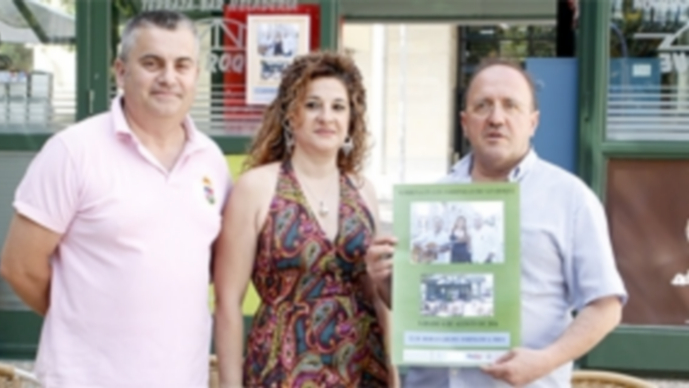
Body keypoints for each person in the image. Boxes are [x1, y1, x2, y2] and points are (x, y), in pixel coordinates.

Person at [0, 10, 231, 388]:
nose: (168, 78)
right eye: (152, 63)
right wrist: (80, 321)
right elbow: (19, 266)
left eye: (182, 65)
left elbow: (207, 267)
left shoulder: (212, 161)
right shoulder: (73, 152)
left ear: (196, 75)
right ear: (121, 72)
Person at [366, 58, 627, 388]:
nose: (496, 118)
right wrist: (386, 282)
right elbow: (420, 313)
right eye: (483, 106)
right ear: (465, 122)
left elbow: (605, 306)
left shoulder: (570, 199)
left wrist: (544, 360)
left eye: (511, 106)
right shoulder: (430, 201)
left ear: (533, 122)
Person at [213, 51, 392, 388]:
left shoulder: (363, 191)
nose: (326, 117)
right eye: (312, 105)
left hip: (362, 367)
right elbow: (227, 303)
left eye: (338, 107)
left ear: (351, 120)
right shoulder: (256, 188)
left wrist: (394, 376)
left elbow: (377, 294)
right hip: (282, 370)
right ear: (291, 115)